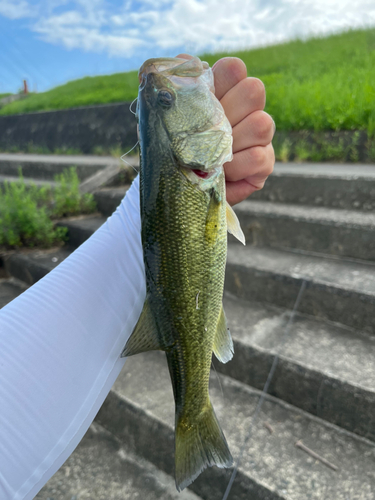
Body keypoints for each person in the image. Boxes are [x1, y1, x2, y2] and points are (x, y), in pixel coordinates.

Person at [0, 56, 274, 500]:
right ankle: (194, 413)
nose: (163, 87)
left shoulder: (192, 168)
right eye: (166, 100)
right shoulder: (193, 168)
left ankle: (193, 411)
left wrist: (135, 225)